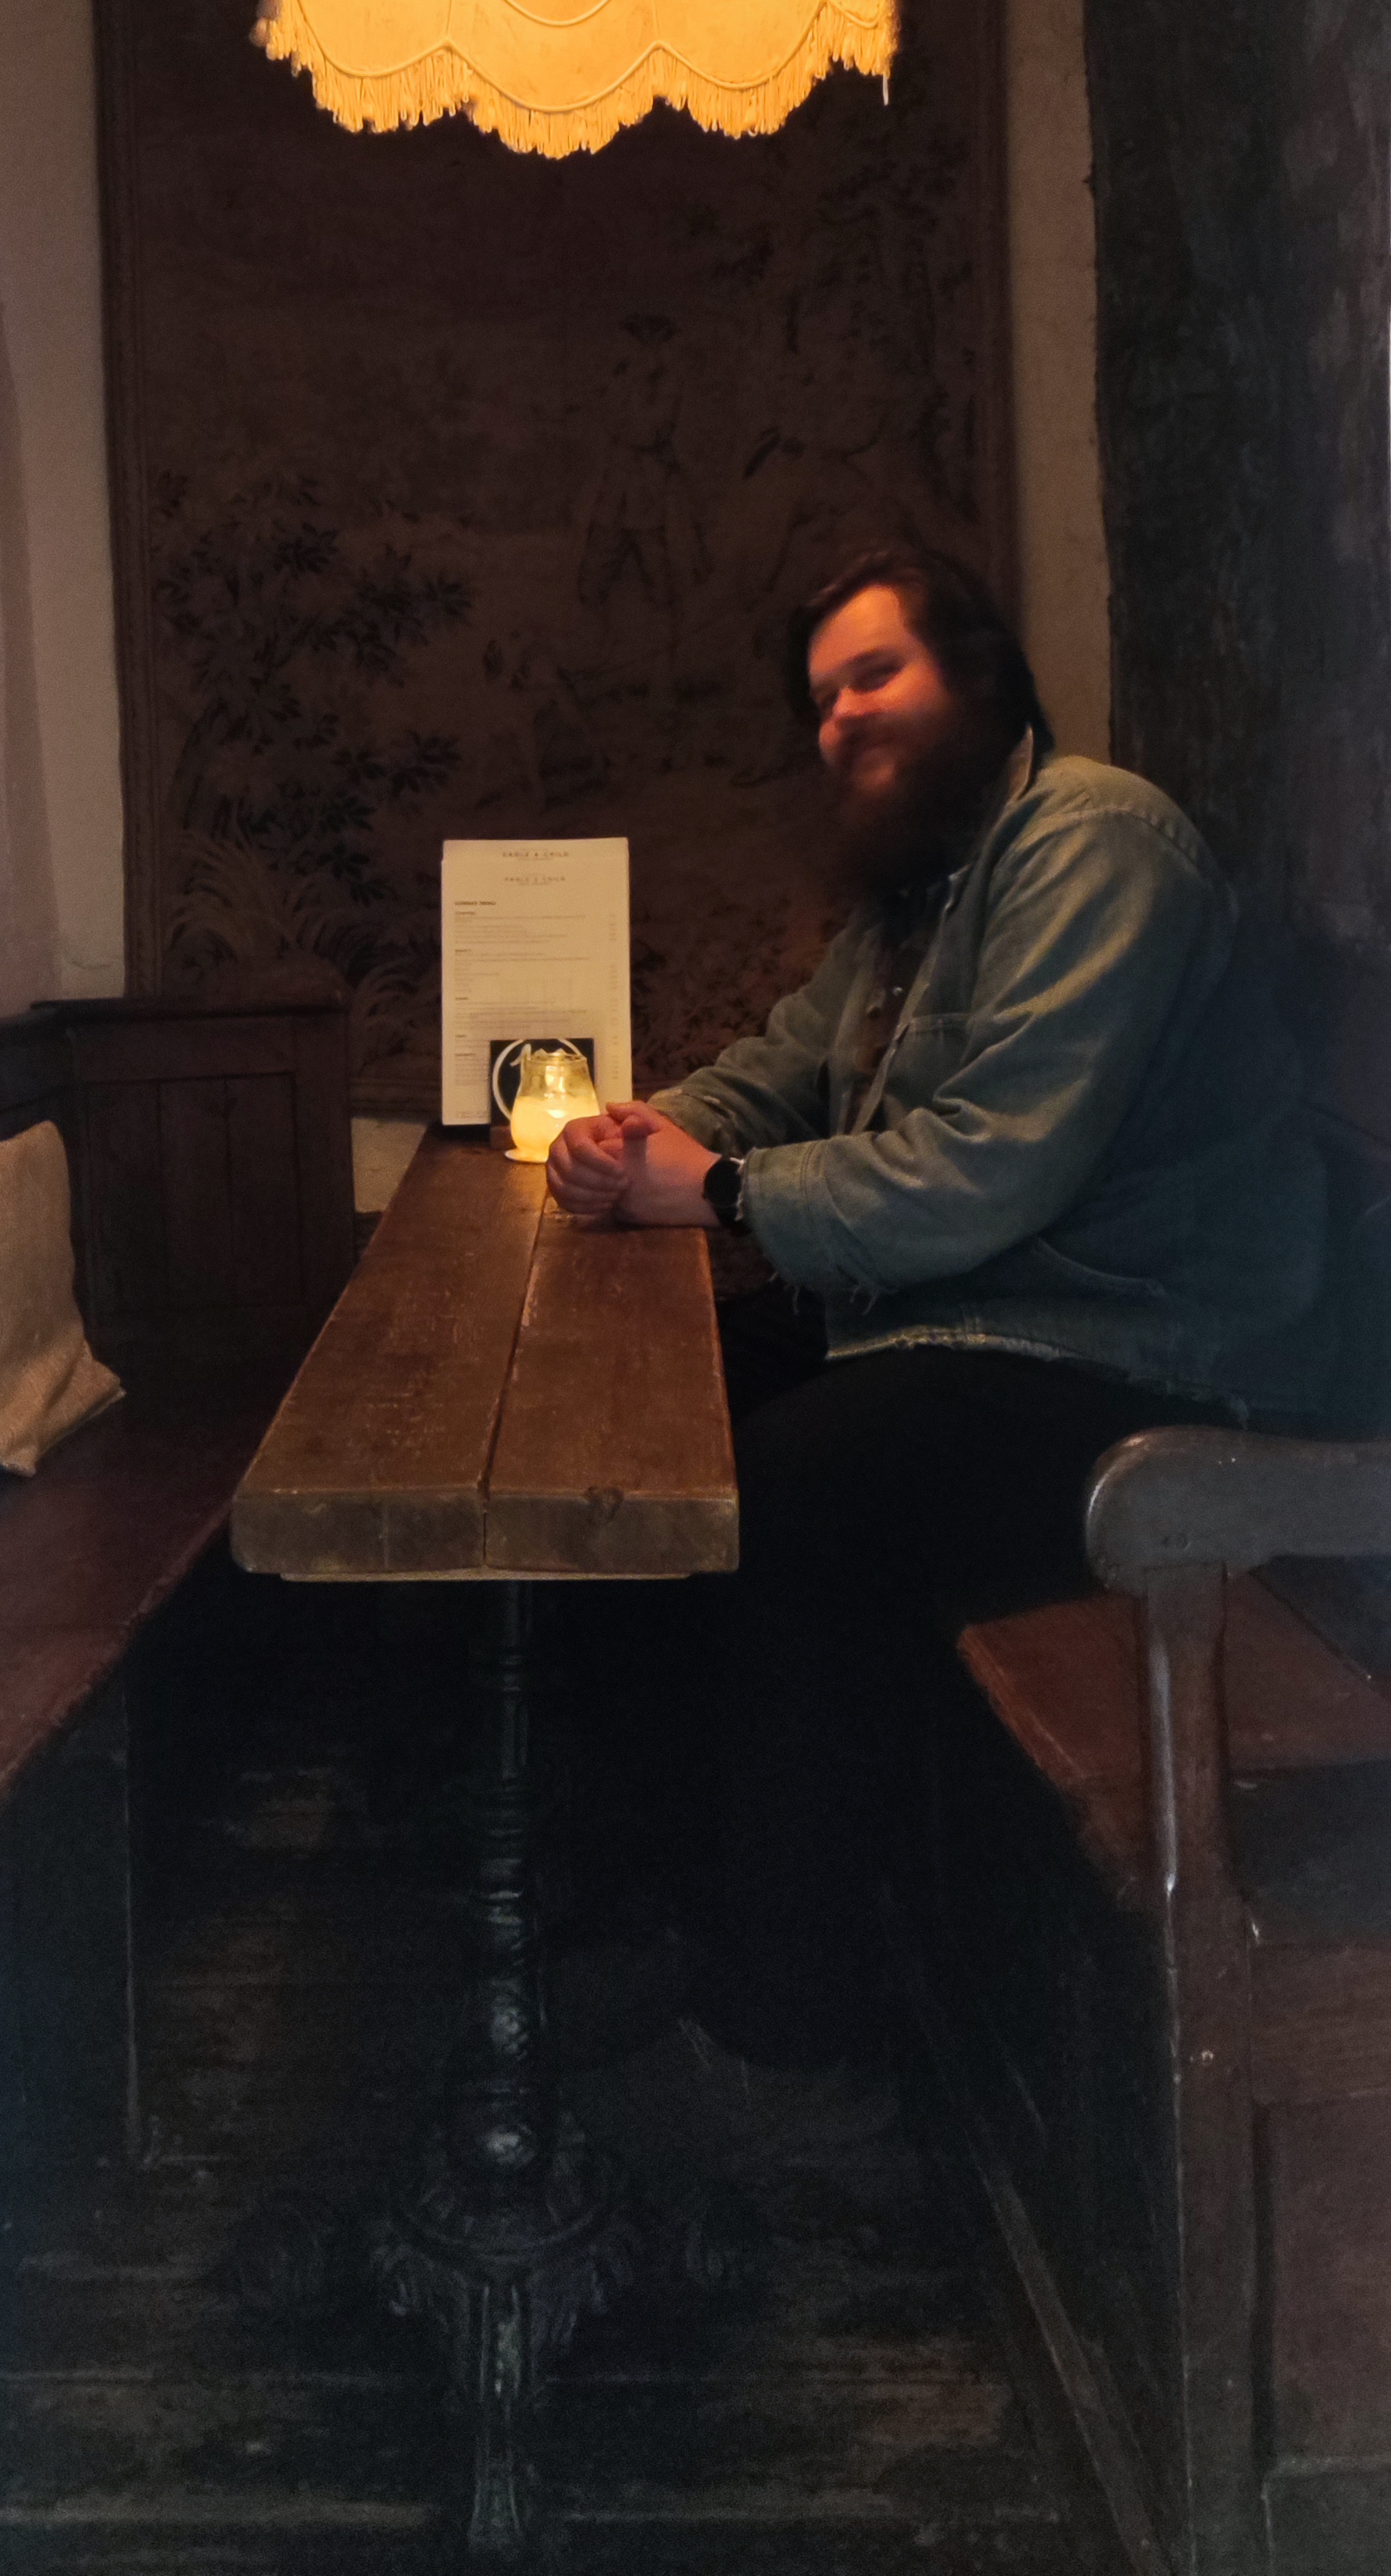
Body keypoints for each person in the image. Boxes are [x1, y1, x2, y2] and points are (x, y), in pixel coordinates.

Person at [547, 543, 1329, 2065]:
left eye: (874, 674)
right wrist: (638, 1130)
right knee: (640, 1419)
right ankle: (673, 1879)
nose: (841, 718)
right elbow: (778, 1069)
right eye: (822, 699)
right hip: (972, 1311)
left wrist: (719, 1191)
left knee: (796, 1489)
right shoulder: (924, 886)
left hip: (1140, 1357)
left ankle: (797, 2016)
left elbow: (987, 1172)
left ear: (976, 675)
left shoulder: (1097, 844)